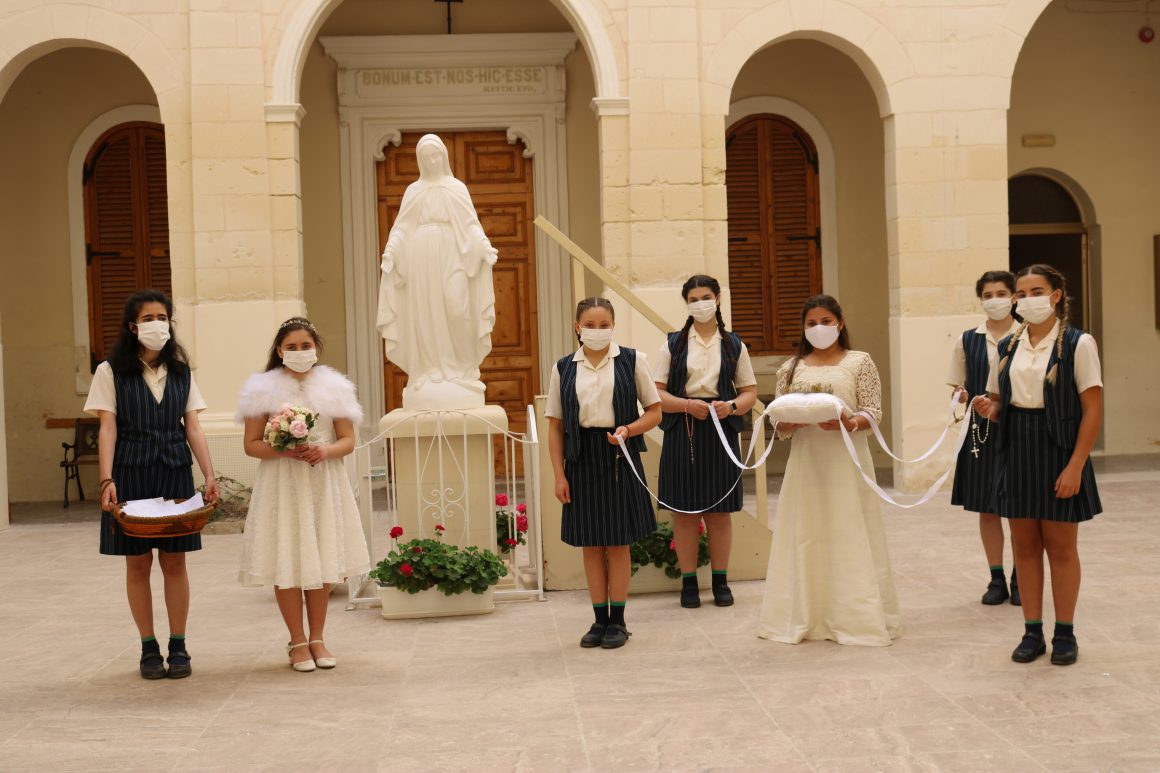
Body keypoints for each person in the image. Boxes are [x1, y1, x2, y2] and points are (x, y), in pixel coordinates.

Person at [86, 289, 219, 680]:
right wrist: (106, 479)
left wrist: (209, 474)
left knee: (175, 561)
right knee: (138, 563)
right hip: (130, 472)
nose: (156, 324)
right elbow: (107, 428)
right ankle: (148, 647)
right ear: (133, 326)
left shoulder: (181, 371)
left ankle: (178, 644)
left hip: (175, 471)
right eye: (148, 318)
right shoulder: (110, 371)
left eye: (162, 317)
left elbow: (192, 426)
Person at [974, 264, 1102, 666]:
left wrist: (1076, 465)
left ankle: (1065, 633)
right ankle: (1032, 632)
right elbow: (999, 402)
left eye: (1037, 291)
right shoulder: (1009, 345)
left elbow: (1093, 410)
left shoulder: (1078, 344)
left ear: (1057, 295)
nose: (1028, 299)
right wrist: (987, 408)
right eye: (1022, 293)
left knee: (1061, 548)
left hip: (1060, 448)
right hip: (1017, 449)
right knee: (1025, 547)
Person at [757, 294, 901, 646]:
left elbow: (873, 411)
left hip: (846, 460)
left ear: (840, 323)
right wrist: (786, 425)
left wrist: (850, 423)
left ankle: (854, 616)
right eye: (810, 323)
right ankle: (806, 615)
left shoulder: (859, 362)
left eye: (825, 321)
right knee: (806, 532)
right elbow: (778, 421)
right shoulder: (790, 368)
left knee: (848, 528)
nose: (818, 328)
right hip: (807, 464)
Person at [237, 318, 370, 672]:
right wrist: (283, 448)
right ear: (279, 351)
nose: (299, 352)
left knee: (322, 556)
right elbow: (251, 445)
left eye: (305, 346)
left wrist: (325, 451)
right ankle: (297, 640)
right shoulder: (261, 390)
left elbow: (348, 439)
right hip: (283, 482)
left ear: (316, 348)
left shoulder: (335, 388)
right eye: (291, 347)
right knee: (289, 559)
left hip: (322, 480)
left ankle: (319, 638)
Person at [547, 298, 662, 649]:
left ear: (613, 325)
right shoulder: (563, 368)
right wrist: (559, 475)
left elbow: (655, 412)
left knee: (617, 541)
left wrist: (630, 429)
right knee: (591, 542)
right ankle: (598, 619)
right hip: (581, 458)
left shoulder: (632, 360)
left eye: (603, 324)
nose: (597, 331)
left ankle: (619, 621)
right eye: (590, 324)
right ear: (577, 326)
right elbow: (555, 426)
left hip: (619, 453)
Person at [653, 275, 758, 608]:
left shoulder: (734, 345)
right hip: (683, 428)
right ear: (687, 304)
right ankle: (688, 583)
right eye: (694, 298)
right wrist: (686, 404)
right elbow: (656, 394)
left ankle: (720, 582)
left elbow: (749, 393)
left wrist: (730, 407)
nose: (701, 303)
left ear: (718, 299)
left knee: (719, 512)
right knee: (685, 513)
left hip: (721, 429)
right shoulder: (672, 344)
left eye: (706, 296)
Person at [376, 133, 499, 408]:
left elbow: (470, 224)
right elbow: (402, 227)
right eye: (426, 157)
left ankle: (461, 368)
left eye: (435, 155)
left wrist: (482, 246)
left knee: (457, 308)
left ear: (442, 157)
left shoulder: (456, 188)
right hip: (421, 256)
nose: (432, 161)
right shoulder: (414, 191)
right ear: (420, 160)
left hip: (452, 253)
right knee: (426, 312)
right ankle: (429, 371)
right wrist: (391, 252)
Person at [948, 270, 1022, 606]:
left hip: (1021, 430)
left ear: (1014, 297)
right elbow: (957, 386)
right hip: (982, 433)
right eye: (988, 295)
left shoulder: (1027, 335)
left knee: (1021, 507)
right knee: (987, 509)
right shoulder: (967, 340)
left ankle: (1023, 576)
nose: (995, 300)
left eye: (1001, 293)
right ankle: (996, 579)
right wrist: (962, 398)